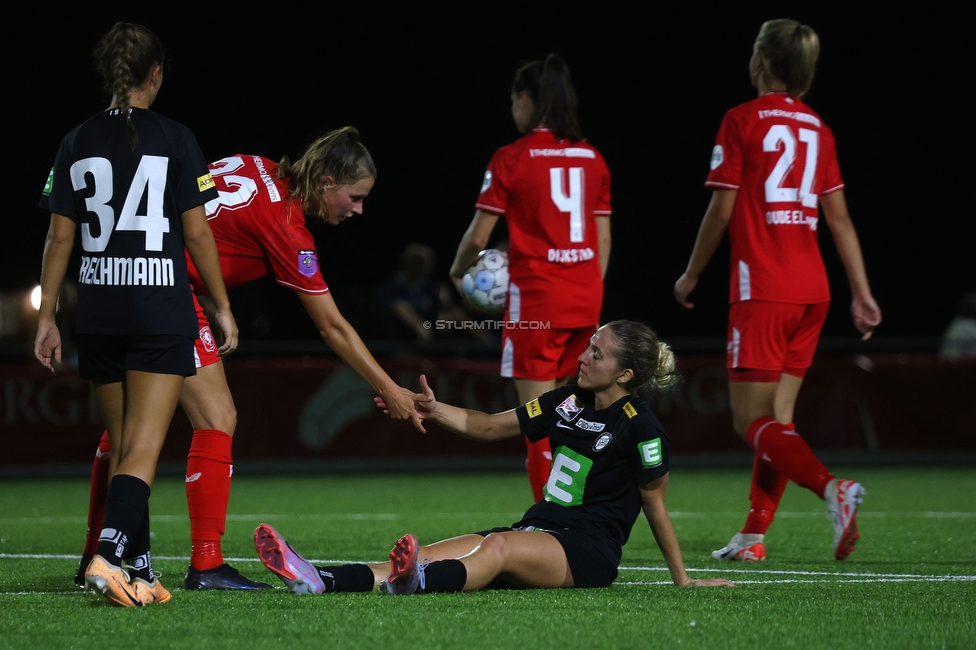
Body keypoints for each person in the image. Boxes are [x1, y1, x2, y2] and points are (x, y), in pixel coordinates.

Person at [74, 126, 424, 591]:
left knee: (123, 430)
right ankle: (206, 564)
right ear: (326, 184)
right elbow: (332, 326)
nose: (358, 209)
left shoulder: (254, 164)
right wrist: (389, 388)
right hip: (167, 287)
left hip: (116, 270)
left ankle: (95, 553)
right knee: (216, 416)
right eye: (355, 197)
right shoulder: (286, 224)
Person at [252, 321, 734, 594]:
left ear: (625, 374)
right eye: (588, 347)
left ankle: (417, 584)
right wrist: (436, 409)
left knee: (496, 549)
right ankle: (319, 578)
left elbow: (655, 506)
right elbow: (487, 425)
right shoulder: (564, 400)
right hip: (539, 529)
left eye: (598, 354)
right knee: (434, 550)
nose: (584, 357)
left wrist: (683, 580)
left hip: (587, 551)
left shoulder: (643, 427)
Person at [35, 22, 238, 607]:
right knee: (144, 452)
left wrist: (47, 315)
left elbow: (57, 239)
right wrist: (222, 307)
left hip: (98, 312)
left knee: (123, 445)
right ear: (156, 74)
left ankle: (140, 569)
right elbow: (197, 234)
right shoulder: (177, 137)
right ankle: (108, 555)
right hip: (157, 308)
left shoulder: (75, 140)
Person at [673, 19, 882, 562]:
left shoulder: (740, 120)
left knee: (750, 421)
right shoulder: (818, 127)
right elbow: (839, 220)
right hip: (814, 288)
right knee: (778, 423)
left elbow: (721, 210)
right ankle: (753, 534)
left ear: (761, 62)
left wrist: (691, 274)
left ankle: (832, 487)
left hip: (763, 288)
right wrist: (861, 291)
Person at [449, 54, 612, 502]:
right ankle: (582, 512)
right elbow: (603, 240)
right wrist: (588, 290)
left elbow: (478, 235)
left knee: (535, 420)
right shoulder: (593, 157)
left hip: (538, 303)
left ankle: (551, 529)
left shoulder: (512, 158)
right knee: (574, 415)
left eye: (513, 100)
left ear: (525, 99)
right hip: (586, 300)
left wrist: (459, 270)